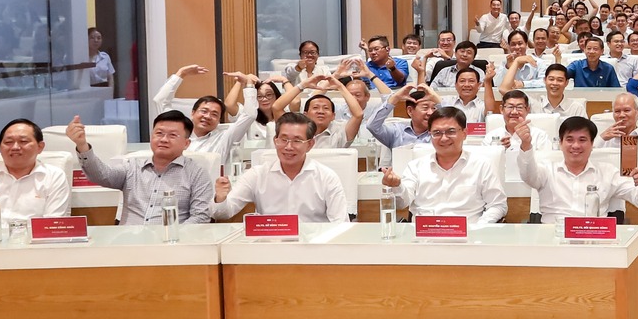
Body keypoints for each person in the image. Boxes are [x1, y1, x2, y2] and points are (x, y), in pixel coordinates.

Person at [66, 110, 213, 224]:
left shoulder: (197, 173)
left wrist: (173, 238)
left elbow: (200, 217)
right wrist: (82, 145)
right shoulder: (132, 166)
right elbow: (101, 175)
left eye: (172, 135)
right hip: (128, 243)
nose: (163, 139)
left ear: (186, 143)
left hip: (170, 245)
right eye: (159, 133)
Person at [211, 114, 349, 222]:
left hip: (313, 245)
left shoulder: (326, 177)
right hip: (270, 244)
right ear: (275, 141)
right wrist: (221, 198)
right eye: (283, 139)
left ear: (310, 144)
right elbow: (222, 214)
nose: (288, 147)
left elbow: (340, 223)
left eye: (297, 141)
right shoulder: (257, 175)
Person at [517, 116, 638, 221]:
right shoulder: (547, 170)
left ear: (592, 144)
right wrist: (526, 144)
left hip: (593, 237)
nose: (576, 146)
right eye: (570, 140)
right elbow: (527, 175)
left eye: (582, 140)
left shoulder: (607, 172)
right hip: (553, 235)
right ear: (560, 143)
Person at [382, 107, 506, 224]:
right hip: (424, 234)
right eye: (437, 133)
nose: (444, 138)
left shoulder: (482, 165)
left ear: (464, 133)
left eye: (451, 132)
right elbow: (402, 203)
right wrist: (396, 186)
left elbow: (497, 205)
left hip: (468, 234)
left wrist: (479, 227)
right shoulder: (416, 167)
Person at [152, 63, 250, 155]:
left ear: (219, 120)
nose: (207, 116)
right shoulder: (178, 129)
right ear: (193, 113)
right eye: (204, 111)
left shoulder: (224, 137)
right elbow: (160, 101)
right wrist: (181, 73)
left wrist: (249, 85)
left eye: (214, 114)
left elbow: (249, 116)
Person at [367, 84, 438, 149]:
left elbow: (445, 119)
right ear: (410, 111)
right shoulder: (397, 132)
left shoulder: (439, 134)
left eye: (433, 108)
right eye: (425, 108)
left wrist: (438, 100)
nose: (431, 113)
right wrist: (395, 97)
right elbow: (372, 126)